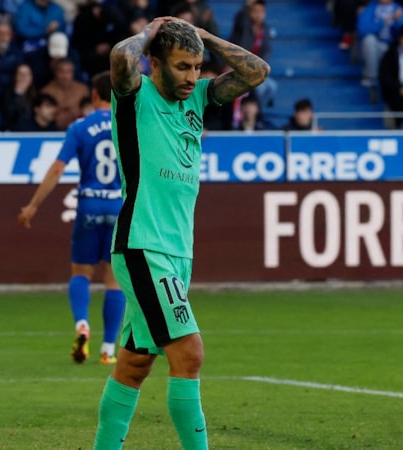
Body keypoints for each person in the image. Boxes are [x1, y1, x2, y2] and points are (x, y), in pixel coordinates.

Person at [93, 17, 269, 450]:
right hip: (143, 244)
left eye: (197, 66)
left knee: (135, 364)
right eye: (182, 66)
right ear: (155, 64)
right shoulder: (135, 96)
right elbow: (120, 57)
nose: (193, 76)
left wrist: (205, 38)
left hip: (175, 252)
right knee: (189, 353)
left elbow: (256, 72)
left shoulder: (200, 99)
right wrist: (152, 31)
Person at [17, 71, 126, 365]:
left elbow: (57, 169)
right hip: (118, 207)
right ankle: (107, 350)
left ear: (93, 95)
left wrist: (33, 206)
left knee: (81, 272)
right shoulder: (128, 124)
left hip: (89, 205)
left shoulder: (79, 127)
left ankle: (82, 325)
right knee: (114, 279)